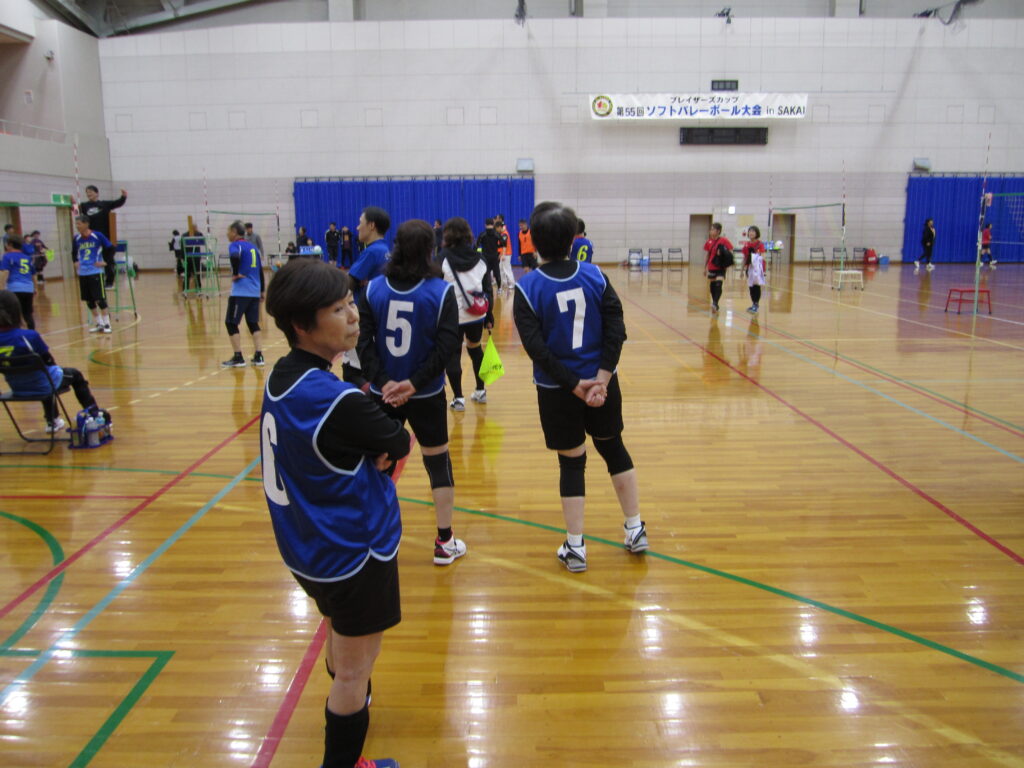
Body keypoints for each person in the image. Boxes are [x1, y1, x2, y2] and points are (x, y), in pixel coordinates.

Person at [261, 258, 407, 768]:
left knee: (340, 634)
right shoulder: (335, 400)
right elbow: (397, 440)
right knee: (354, 671)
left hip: (307, 547)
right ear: (302, 324)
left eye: (351, 303)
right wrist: (381, 438)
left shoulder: (282, 376)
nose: (353, 316)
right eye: (338, 309)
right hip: (353, 551)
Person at [513, 201, 647, 573]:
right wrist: (601, 378)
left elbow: (536, 348)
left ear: (534, 242)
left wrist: (573, 385)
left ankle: (575, 547)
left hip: (557, 390)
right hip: (602, 386)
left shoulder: (528, 287)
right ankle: (635, 528)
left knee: (571, 462)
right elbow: (617, 328)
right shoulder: (595, 276)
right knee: (614, 448)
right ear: (573, 240)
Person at [357, 219, 467, 565]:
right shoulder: (441, 291)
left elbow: (363, 343)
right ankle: (444, 541)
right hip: (426, 394)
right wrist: (415, 383)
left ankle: (371, 537)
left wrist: (385, 381)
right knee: (438, 463)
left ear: (397, 248)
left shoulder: (374, 289)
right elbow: (447, 346)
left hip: (383, 393)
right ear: (430, 250)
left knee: (379, 463)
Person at [0, 290, 106, 434]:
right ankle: (95, 415)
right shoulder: (29, 336)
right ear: (17, 311)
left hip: (17, 388)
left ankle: (53, 420)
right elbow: (48, 361)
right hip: (42, 385)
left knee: (44, 376)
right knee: (72, 375)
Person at [440, 217, 493, 411]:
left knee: (453, 354)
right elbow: (488, 290)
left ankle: (458, 399)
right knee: (475, 349)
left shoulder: (442, 258)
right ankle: (480, 391)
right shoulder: (480, 258)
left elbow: (435, 288)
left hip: (451, 315)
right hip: (476, 313)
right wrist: (489, 316)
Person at [221, 220, 265, 368]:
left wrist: (235, 273)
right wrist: (262, 290)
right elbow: (260, 270)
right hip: (254, 291)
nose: (227, 234)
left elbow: (234, 256)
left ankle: (238, 357)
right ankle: (259, 356)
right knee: (253, 323)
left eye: (228, 231)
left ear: (234, 232)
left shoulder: (235, 245)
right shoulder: (253, 247)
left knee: (231, 323)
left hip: (241, 291)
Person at [77, 185, 126, 289]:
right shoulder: (84, 206)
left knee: (108, 260)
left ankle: (109, 282)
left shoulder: (104, 204)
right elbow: (75, 210)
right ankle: (95, 281)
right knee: (92, 259)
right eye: (87, 192)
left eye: (91, 191)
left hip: (105, 237)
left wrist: (123, 196)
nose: (89, 194)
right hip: (92, 238)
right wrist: (73, 202)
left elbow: (117, 203)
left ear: (97, 193)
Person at [72, 215, 113, 333]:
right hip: (83, 272)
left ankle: (107, 324)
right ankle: (99, 323)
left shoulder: (97, 235)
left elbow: (111, 248)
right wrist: (75, 261)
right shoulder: (77, 238)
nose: (77, 226)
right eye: (76, 224)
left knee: (100, 298)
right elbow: (73, 252)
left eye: (79, 223)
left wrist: (106, 262)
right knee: (89, 300)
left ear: (86, 224)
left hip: (95, 271)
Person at [1, 235, 37, 329]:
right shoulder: (27, 257)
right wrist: (35, 288)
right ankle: (31, 333)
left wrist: (1, 288)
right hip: (28, 288)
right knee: (28, 314)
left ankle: (18, 334)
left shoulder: (7, 256)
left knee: (14, 314)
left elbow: (5, 272)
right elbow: (33, 275)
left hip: (14, 289)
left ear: (10, 245)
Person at [703, 222, 733, 312]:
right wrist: (705, 267)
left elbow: (730, 252)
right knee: (712, 287)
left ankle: (715, 303)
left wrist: (724, 255)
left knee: (718, 284)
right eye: (711, 229)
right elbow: (707, 255)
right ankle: (714, 302)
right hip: (712, 266)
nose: (711, 231)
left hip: (721, 267)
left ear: (718, 231)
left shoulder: (724, 241)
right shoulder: (709, 242)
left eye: (713, 229)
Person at [742, 226, 766, 314]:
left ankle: (756, 304)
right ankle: (753, 303)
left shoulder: (760, 244)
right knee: (751, 286)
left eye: (753, 231)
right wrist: (742, 269)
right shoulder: (746, 244)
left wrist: (757, 259)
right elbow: (745, 258)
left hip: (757, 268)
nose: (751, 233)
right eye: (750, 231)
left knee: (756, 286)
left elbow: (763, 256)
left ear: (757, 233)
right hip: (749, 268)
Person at [476, 218, 502, 293]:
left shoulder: (482, 234)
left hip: (485, 257)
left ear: (485, 225)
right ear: (493, 224)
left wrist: (480, 251)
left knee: (485, 273)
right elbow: (503, 243)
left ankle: (486, 289)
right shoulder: (497, 234)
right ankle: (499, 288)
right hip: (494, 257)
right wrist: (498, 249)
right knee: (497, 273)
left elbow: (477, 246)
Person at [495, 215, 515, 293]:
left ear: (500, 227)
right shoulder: (501, 233)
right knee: (501, 269)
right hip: (502, 254)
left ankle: (512, 284)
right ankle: (504, 283)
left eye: (497, 228)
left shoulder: (504, 234)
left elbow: (504, 245)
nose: (496, 230)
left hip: (506, 254)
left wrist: (503, 254)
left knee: (507, 269)